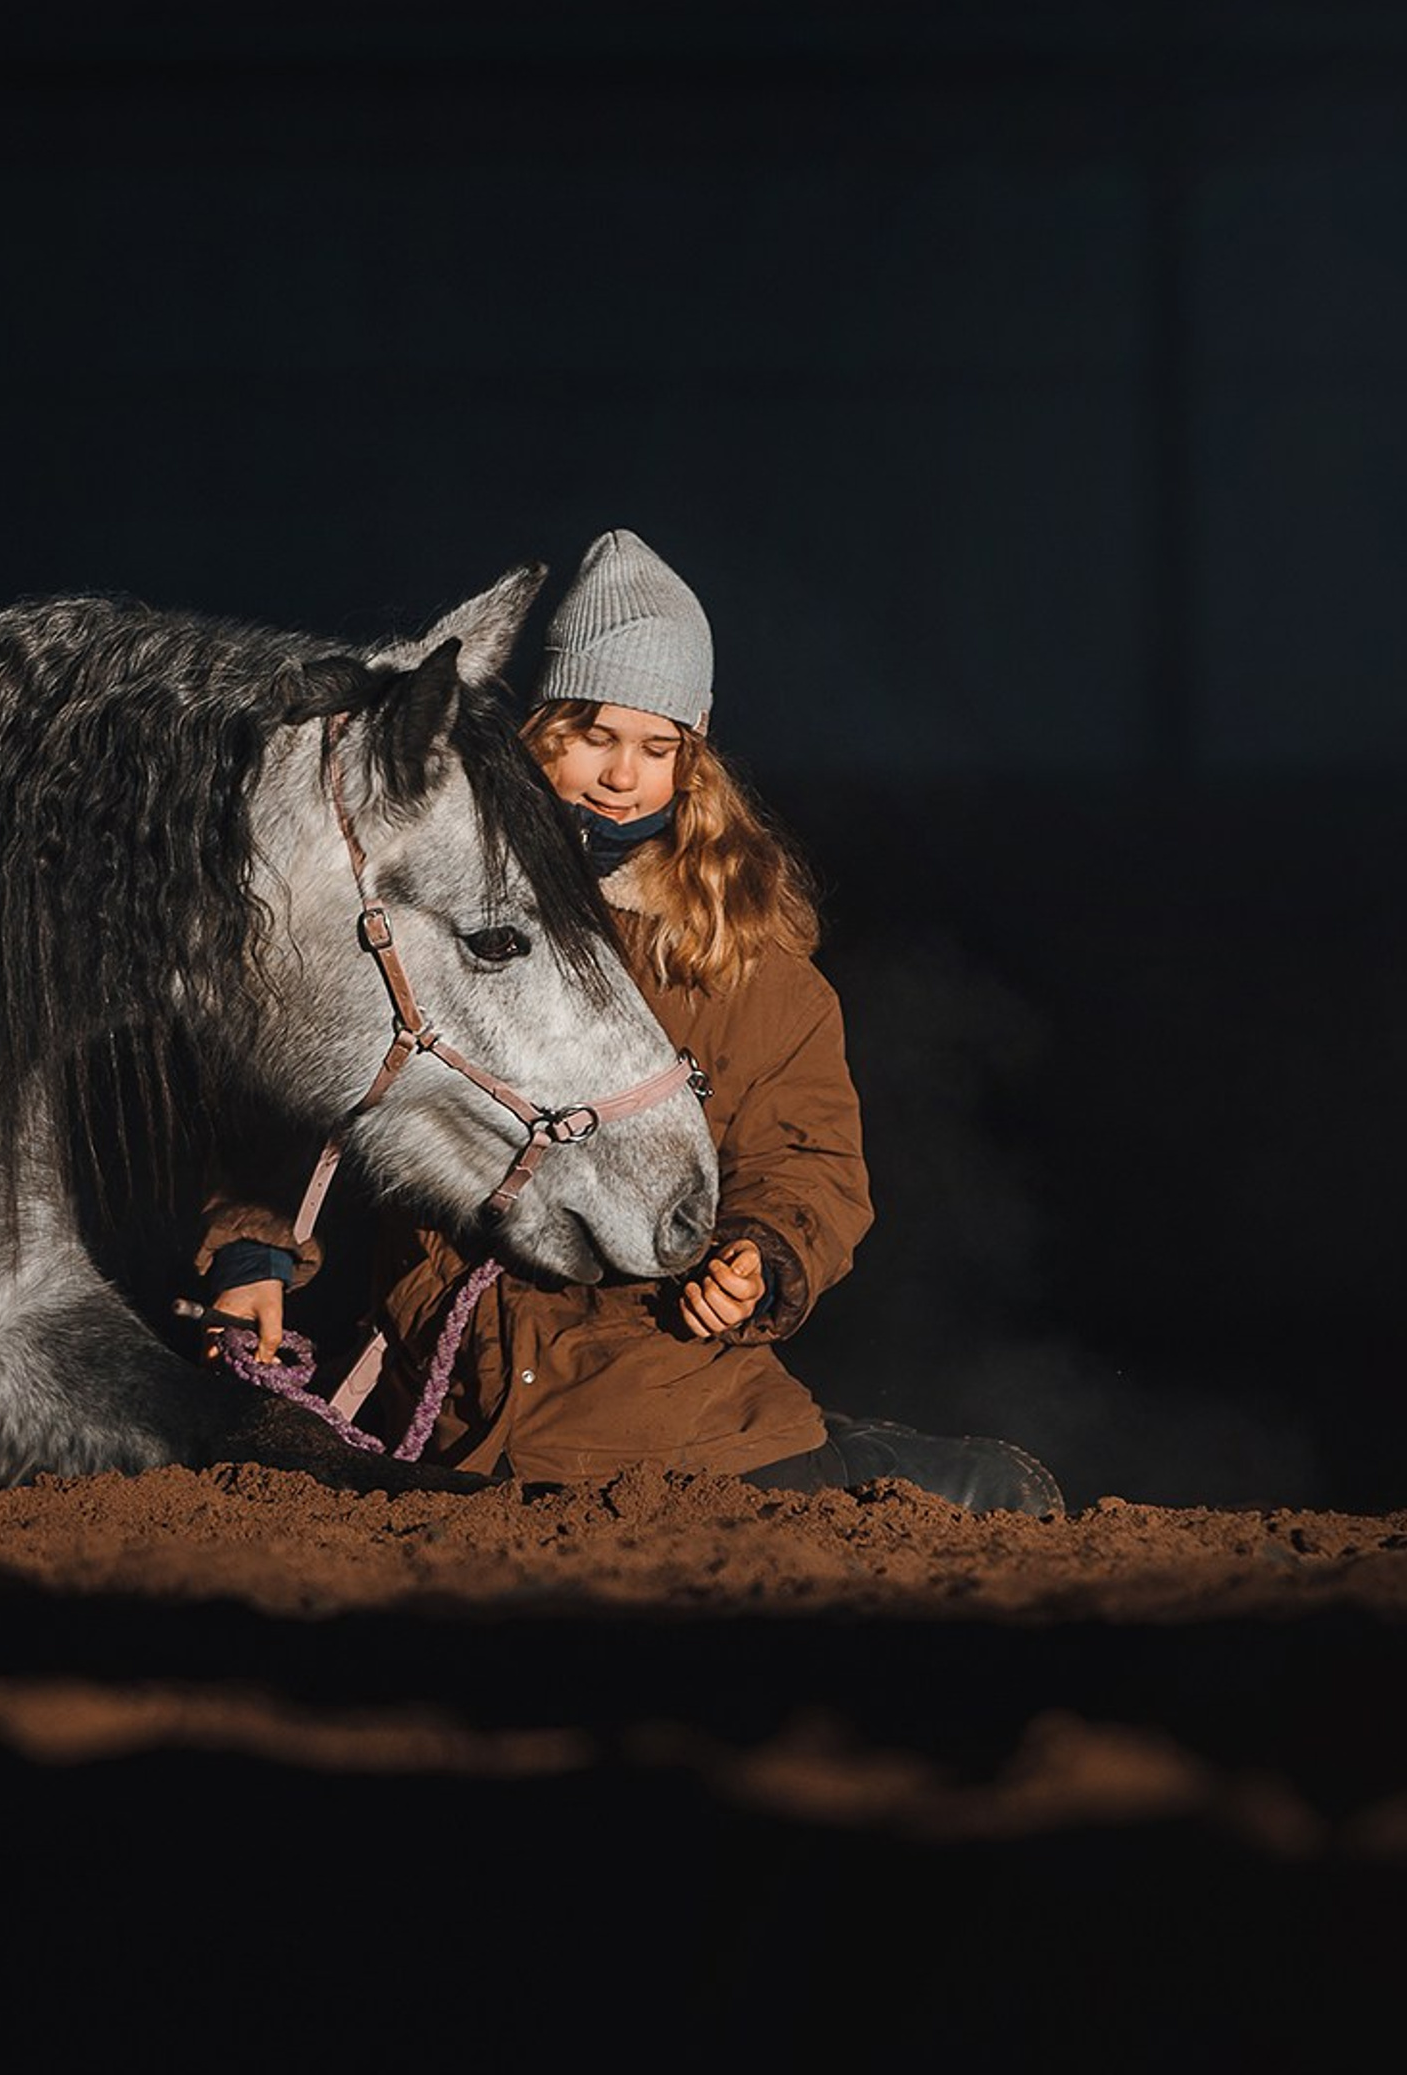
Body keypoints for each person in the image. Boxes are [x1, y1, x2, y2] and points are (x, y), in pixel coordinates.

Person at [194, 530, 1063, 1515]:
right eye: (595, 736)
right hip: (445, 1412)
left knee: (764, 1520)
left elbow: (806, 1158)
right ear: (543, 728)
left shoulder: (741, 965)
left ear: (692, 759)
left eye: (658, 748)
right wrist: (252, 1252)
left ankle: (896, 1473)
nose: (621, 774)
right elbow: (302, 1079)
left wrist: (763, 1254)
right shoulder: (437, 918)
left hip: (667, 1419)